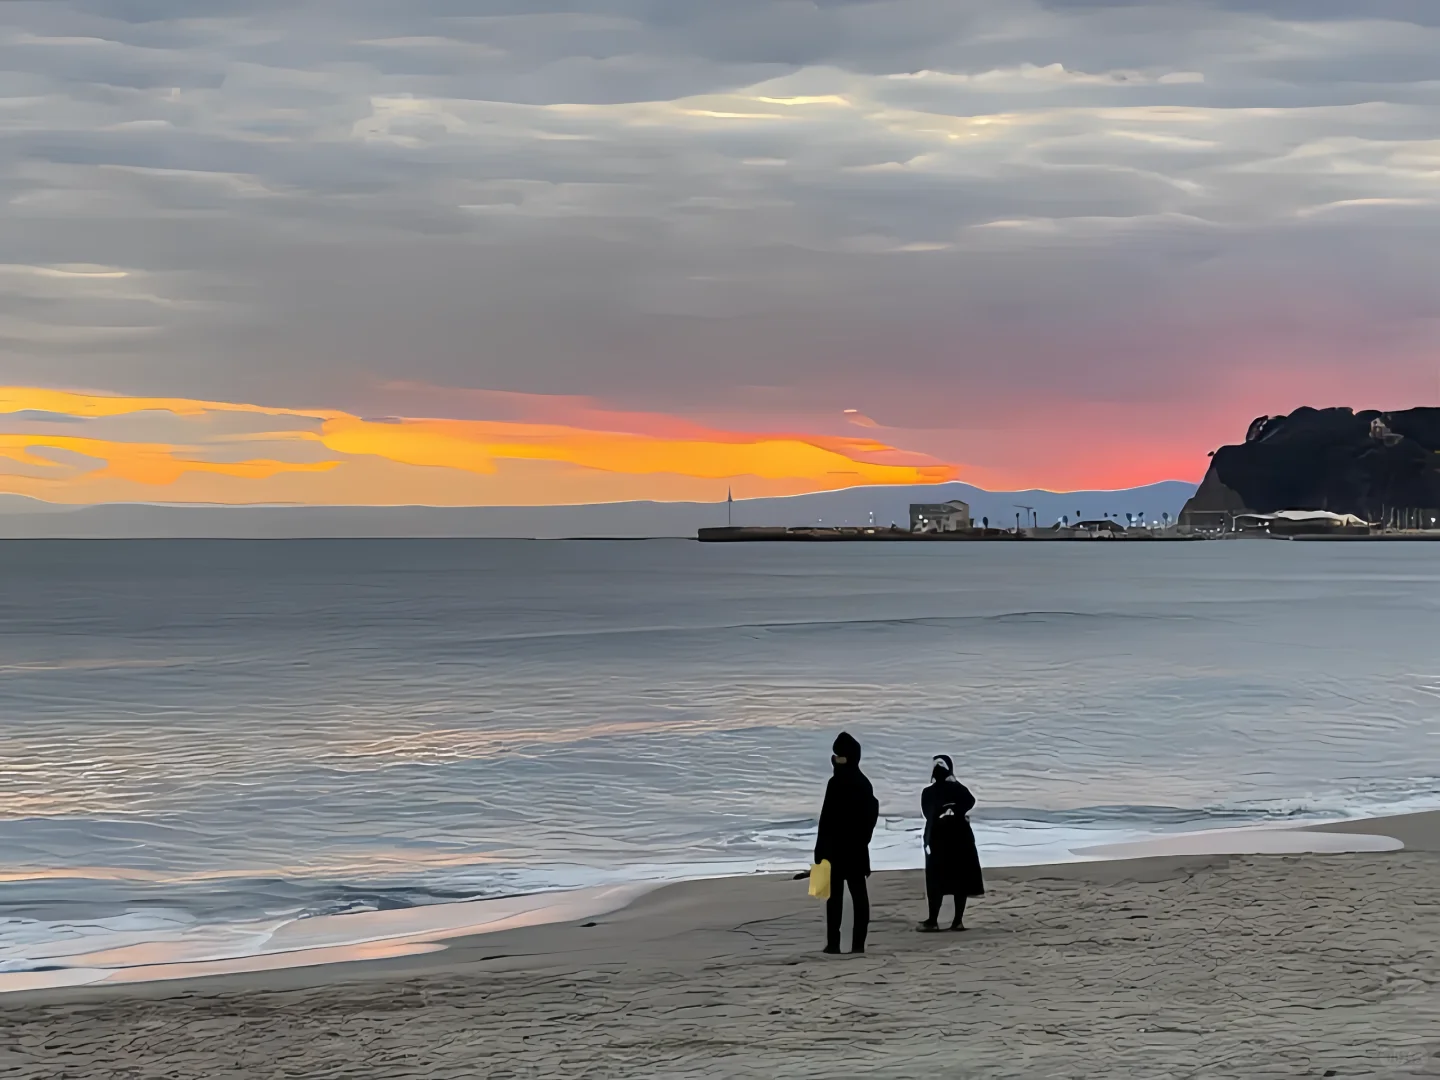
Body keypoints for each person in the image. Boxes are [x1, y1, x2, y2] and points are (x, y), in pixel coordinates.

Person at [814, 731, 880, 954]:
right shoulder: (864, 783)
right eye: (835, 757)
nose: (836, 762)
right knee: (856, 897)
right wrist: (863, 841)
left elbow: (826, 821)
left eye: (839, 757)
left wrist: (819, 852)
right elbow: (870, 818)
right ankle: (856, 945)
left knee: (839, 899)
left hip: (836, 851)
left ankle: (836, 944)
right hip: (856, 851)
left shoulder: (837, 783)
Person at [918, 755, 984, 932]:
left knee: (936, 878)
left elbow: (927, 812)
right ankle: (957, 921)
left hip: (938, 837)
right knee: (959, 879)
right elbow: (970, 800)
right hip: (959, 837)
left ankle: (933, 921)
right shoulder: (958, 789)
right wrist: (955, 807)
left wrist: (944, 810)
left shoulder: (929, 792)